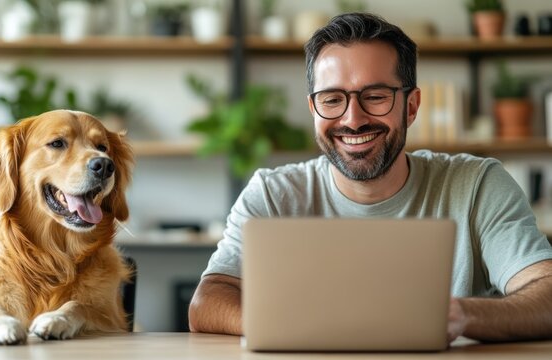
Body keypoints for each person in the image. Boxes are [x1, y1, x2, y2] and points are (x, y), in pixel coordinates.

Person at [188, 12, 552, 343]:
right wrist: (300, 322)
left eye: (375, 96)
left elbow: (546, 295)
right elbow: (207, 302)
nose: (353, 119)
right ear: (313, 108)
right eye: (332, 99)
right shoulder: (272, 193)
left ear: (411, 106)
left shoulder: (478, 185)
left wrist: (459, 315)